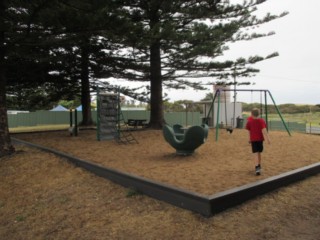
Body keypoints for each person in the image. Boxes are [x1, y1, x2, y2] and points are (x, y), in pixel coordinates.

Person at [245, 108, 270, 175]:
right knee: (259, 153)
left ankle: (257, 167)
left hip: (253, 140)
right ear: (259, 114)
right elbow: (264, 130)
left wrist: (249, 139)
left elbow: (248, 131)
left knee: (255, 153)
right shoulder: (261, 121)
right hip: (260, 140)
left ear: (251, 114)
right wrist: (268, 139)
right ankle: (258, 166)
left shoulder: (249, 121)